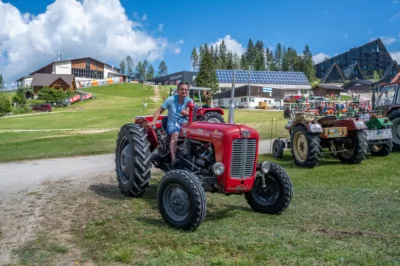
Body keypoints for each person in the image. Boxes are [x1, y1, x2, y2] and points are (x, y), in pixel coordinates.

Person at [148, 82, 194, 165]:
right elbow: (159, 111)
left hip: (185, 124)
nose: (184, 91)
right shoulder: (170, 100)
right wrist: (153, 121)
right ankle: (173, 159)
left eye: (186, 90)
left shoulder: (189, 101)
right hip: (173, 123)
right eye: (182, 89)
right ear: (177, 90)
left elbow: (193, 111)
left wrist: (187, 112)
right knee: (175, 134)